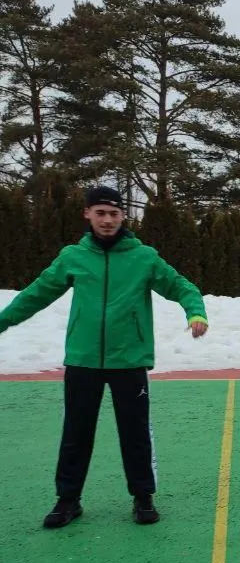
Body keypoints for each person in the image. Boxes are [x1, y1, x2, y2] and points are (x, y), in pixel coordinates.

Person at [0, 185, 208, 527]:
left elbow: (181, 286)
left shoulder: (144, 257)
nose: (107, 220)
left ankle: (143, 498)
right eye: (100, 213)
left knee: (135, 431)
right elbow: (36, 294)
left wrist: (195, 313)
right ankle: (68, 500)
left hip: (129, 361)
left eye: (114, 213)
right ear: (87, 214)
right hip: (83, 361)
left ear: (123, 215)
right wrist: (3, 321)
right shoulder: (73, 257)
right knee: (76, 431)